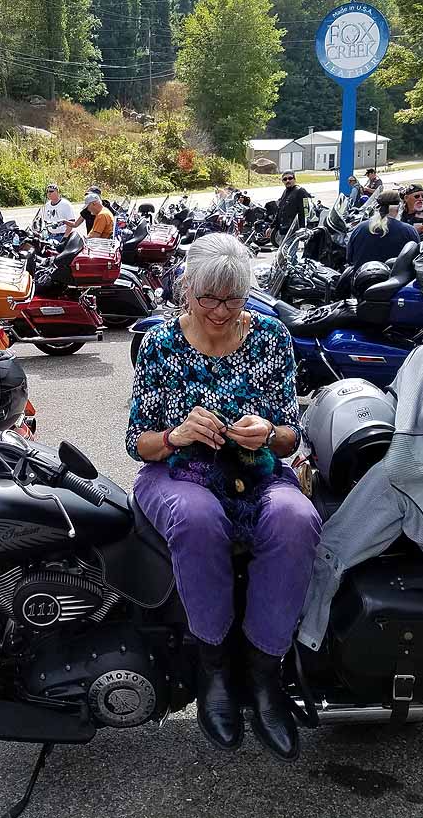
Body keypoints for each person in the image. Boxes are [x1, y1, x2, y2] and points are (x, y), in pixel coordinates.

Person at [127, 233, 322, 761]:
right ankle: (211, 667)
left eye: (232, 299)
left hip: (254, 471)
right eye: (208, 297)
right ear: (185, 289)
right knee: (196, 518)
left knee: (295, 519)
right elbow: (137, 444)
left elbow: (291, 436)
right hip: (177, 472)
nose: (219, 310)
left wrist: (270, 432)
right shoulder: (161, 343)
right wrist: (176, 435)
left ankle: (264, 675)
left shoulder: (271, 338)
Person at [346, 191, 420, 271]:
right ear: (399, 208)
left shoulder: (359, 228)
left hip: (362, 280)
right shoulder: (409, 231)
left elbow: (349, 259)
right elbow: (417, 260)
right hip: (397, 281)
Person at [274, 172, 311, 238]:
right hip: (284, 231)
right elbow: (280, 210)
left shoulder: (301, 191)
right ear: (283, 181)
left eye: (290, 178)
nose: (287, 180)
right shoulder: (285, 192)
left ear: (294, 179)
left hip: (295, 233)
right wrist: (272, 227)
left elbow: (305, 210)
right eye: (285, 179)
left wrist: (303, 229)